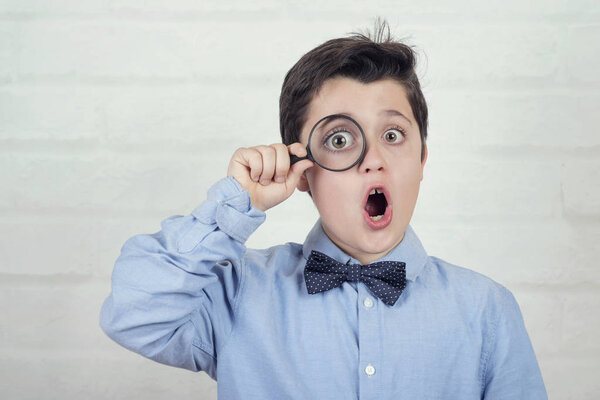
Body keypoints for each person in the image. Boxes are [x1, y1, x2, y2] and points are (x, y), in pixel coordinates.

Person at [100, 20, 548, 399]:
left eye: (393, 135)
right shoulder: (237, 293)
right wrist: (235, 204)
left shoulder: (486, 310)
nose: (373, 158)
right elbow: (133, 314)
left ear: (422, 159)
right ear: (304, 173)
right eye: (340, 139)